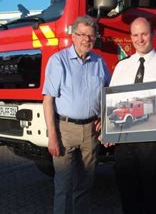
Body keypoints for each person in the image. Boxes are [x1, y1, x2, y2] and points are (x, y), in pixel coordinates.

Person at [109, 17, 156, 214]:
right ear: (131, 37)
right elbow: (112, 102)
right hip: (124, 138)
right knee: (126, 190)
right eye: (135, 35)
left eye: (144, 34)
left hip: (152, 140)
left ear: (153, 34)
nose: (140, 39)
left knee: (151, 190)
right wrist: (107, 130)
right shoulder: (122, 67)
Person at [42, 15, 111, 214]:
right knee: (63, 187)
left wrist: (104, 116)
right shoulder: (58, 61)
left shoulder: (99, 62)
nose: (87, 39)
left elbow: (110, 93)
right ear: (73, 36)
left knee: (85, 185)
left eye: (91, 36)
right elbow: (48, 101)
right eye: (82, 35)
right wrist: (52, 137)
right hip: (65, 131)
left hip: (91, 131)